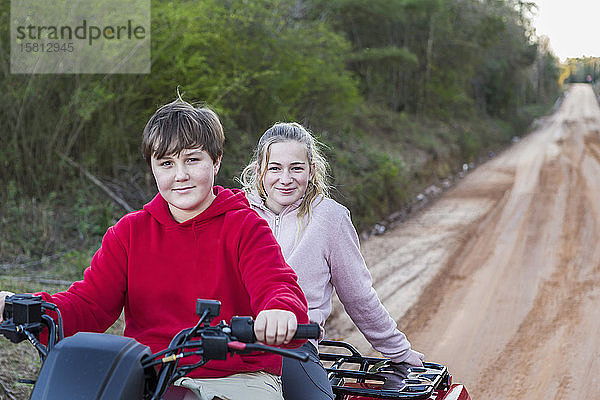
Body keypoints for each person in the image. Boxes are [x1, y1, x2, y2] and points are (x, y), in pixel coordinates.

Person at [0, 98, 309, 400]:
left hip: (236, 377)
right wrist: (20, 306)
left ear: (216, 161)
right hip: (150, 376)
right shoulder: (129, 233)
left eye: (192, 159)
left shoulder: (245, 227)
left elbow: (276, 284)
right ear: (152, 167)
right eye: (166, 163)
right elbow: (87, 305)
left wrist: (279, 311)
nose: (180, 175)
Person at [240, 122, 425, 400]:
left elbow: (359, 296)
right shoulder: (237, 212)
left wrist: (398, 350)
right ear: (259, 171)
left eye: (296, 168)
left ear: (311, 170)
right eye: (275, 168)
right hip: (234, 344)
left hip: (294, 346)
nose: (285, 178)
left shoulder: (330, 218)